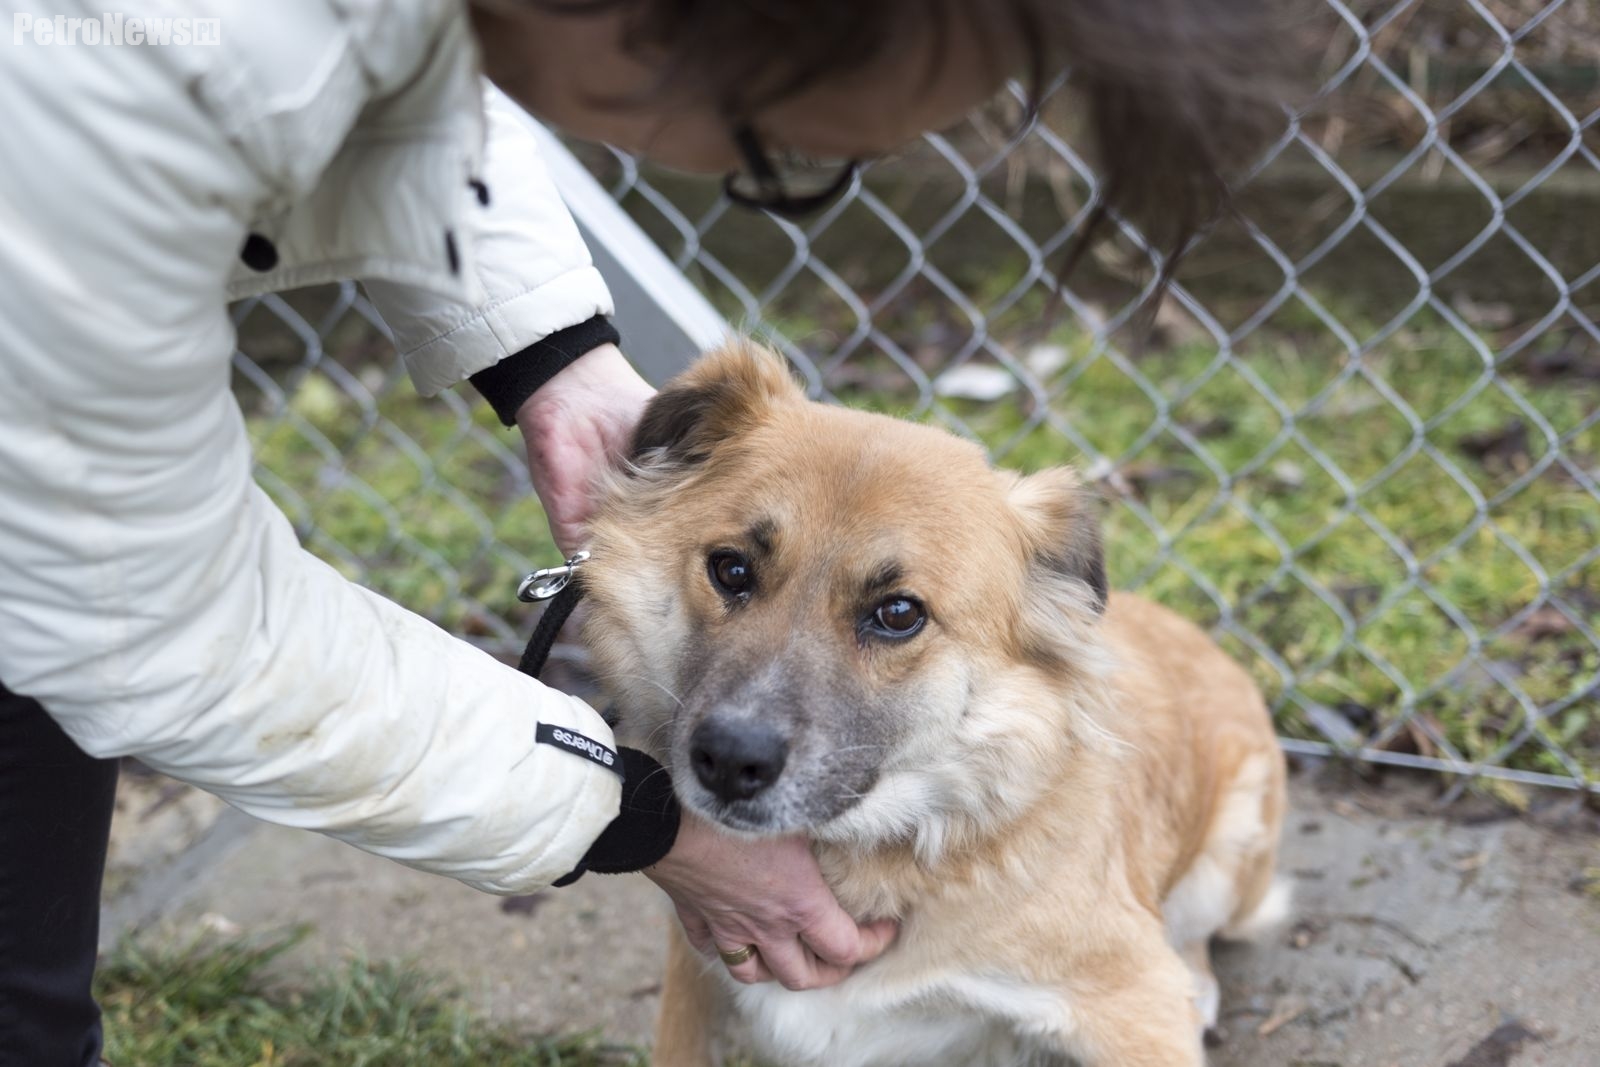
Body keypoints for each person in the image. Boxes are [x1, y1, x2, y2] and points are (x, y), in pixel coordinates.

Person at [0, 0, 1287, 1061]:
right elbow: (137, 614)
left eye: (892, 614)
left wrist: (551, 357)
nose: (741, 722)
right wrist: (642, 821)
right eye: (777, 161)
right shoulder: (101, 94)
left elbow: (420, 78)